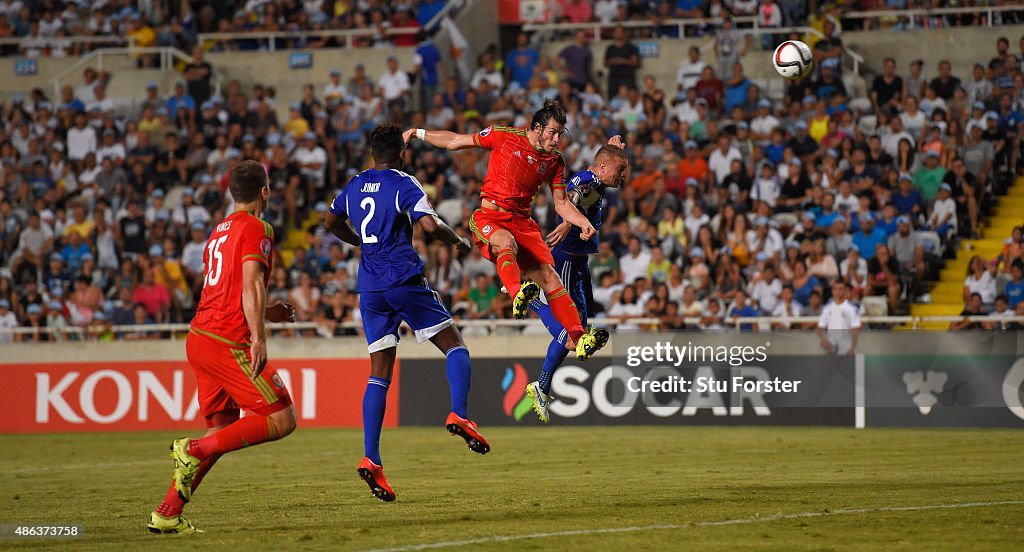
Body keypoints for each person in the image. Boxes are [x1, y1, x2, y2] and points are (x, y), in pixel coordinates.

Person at [325, 124, 489, 502]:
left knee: (379, 373)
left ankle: (372, 457)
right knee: (456, 346)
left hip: (369, 288)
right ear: (401, 152)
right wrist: (460, 241)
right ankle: (459, 414)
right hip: (403, 278)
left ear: (371, 153)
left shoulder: (354, 183)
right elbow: (430, 227)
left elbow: (330, 222)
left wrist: (361, 244)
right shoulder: (404, 182)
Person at [147, 160, 298, 534]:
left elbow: (225, 287)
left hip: (200, 337)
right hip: (228, 340)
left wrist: (270, 311)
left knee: (223, 428)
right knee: (282, 419)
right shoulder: (258, 227)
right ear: (264, 192)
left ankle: (167, 512)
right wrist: (259, 335)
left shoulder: (218, 231)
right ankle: (190, 449)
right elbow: (249, 282)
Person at [404, 100, 609, 361]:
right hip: (491, 217)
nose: (557, 139)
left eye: (560, 134)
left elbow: (561, 203)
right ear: (537, 127)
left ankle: (580, 338)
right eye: (553, 132)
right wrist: (417, 133)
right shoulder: (503, 136)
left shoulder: (555, 161)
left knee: (550, 277)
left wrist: (582, 221)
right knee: (505, 242)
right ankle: (516, 293)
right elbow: (455, 141)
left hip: (523, 222)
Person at [524, 137, 629, 423]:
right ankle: (533, 300)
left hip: (578, 260)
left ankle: (542, 386)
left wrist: (616, 148)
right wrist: (569, 222)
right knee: (575, 338)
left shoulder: (596, 178)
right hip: (568, 258)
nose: (623, 175)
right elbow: (573, 196)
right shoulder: (590, 181)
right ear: (604, 167)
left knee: (581, 332)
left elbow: (582, 192)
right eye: (620, 169)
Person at [816, 280, 861, 355]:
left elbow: (855, 330)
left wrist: (853, 349)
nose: (837, 292)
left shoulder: (851, 309)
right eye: (835, 289)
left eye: (840, 289)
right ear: (832, 291)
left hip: (846, 347)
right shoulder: (827, 308)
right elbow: (820, 328)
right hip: (831, 347)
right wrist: (824, 339)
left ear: (845, 291)